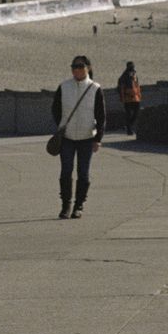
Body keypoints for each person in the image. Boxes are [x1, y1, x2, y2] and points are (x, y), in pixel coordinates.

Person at [52, 54, 106, 219]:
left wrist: (98, 139)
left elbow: (101, 115)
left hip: (86, 137)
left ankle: (79, 205)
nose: (76, 69)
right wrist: (61, 126)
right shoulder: (64, 86)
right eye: (74, 66)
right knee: (66, 171)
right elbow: (55, 109)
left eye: (80, 66)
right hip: (67, 137)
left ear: (87, 68)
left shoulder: (95, 88)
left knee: (83, 173)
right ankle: (65, 206)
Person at [116, 60, 142, 135]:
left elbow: (137, 86)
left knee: (136, 113)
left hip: (136, 97)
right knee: (129, 114)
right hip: (128, 98)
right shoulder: (124, 76)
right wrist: (123, 98)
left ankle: (129, 126)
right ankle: (129, 129)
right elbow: (121, 88)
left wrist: (139, 95)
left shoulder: (135, 75)